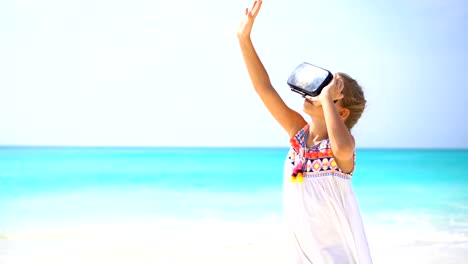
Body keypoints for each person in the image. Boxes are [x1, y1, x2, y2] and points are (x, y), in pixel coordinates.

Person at [237, 1, 373, 263]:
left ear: (341, 112)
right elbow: (264, 88)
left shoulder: (340, 150)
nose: (318, 92)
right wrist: (244, 38)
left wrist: (326, 99)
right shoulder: (299, 134)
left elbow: (343, 148)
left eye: (329, 92)